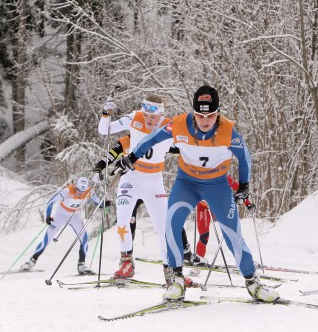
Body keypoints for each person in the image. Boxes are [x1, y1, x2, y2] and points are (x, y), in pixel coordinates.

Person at [112, 85, 279, 302]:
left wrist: (244, 185)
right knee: (171, 223)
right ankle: (176, 280)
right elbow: (152, 139)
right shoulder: (179, 124)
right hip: (187, 183)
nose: (205, 120)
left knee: (232, 233)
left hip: (216, 185)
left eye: (210, 115)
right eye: (200, 115)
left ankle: (253, 282)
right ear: (193, 112)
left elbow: (244, 157)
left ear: (218, 113)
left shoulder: (228, 131)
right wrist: (132, 157)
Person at [97, 94, 177, 281]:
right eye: (146, 115)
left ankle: (171, 270)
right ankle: (126, 263)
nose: (149, 120)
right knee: (123, 219)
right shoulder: (134, 117)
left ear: (161, 114)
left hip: (154, 182)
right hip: (131, 178)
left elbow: (188, 144)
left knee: (163, 227)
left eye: (153, 117)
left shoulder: (170, 125)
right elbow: (104, 130)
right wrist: (105, 113)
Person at [20, 177, 107, 275]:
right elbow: (51, 202)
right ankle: (31, 262)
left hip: (75, 216)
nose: (80, 193)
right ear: (76, 186)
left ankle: (81, 265)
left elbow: (97, 202)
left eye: (83, 191)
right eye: (79, 190)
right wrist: (48, 216)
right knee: (46, 240)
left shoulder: (89, 191)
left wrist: (103, 204)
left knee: (84, 239)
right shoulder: (67, 190)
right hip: (60, 215)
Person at [195, 176, 256, 262]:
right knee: (204, 236)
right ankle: (198, 262)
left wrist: (248, 204)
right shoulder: (198, 177)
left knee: (232, 233)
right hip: (203, 208)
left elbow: (240, 190)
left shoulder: (223, 177)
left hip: (218, 205)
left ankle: (245, 261)